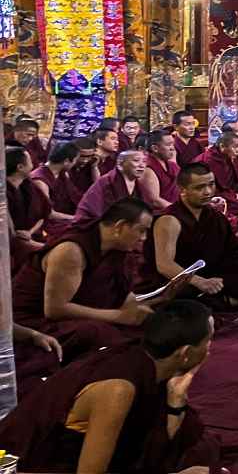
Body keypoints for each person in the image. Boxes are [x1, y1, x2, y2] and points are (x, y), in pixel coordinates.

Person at [0, 299, 216, 474]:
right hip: (28, 464)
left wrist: (176, 401)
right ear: (185, 353)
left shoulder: (144, 361)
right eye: (208, 341)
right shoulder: (118, 389)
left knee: (200, 451)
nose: (209, 349)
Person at [12, 199, 164, 362]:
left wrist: (143, 305)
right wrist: (120, 316)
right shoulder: (71, 251)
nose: (144, 238)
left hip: (81, 314)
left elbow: (120, 291)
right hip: (33, 321)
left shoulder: (116, 248)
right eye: (141, 231)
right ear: (119, 226)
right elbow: (55, 309)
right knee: (98, 333)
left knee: (154, 323)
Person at [141, 163, 238, 309]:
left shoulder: (213, 216)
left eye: (211, 185)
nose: (208, 192)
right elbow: (164, 265)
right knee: (184, 295)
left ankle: (226, 301)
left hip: (212, 272)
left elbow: (230, 253)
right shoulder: (169, 220)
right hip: (179, 280)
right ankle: (223, 301)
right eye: (199, 188)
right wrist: (201, 282)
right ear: (182, 190)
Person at [74, 150, 152, 226]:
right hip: (94, 225)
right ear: (120, 165)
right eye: (136, 160)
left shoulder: (140, 186)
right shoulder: (106, 182)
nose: (142, 165)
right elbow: (100, 212)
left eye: (144, 162)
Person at [31, 141, 82, 226]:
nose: (75, 164)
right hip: (46, 224)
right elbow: (49, 214)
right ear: (66, 161)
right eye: (75, 160)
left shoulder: (63, 173)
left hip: (64, 217)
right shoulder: (40, 181)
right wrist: (76, 218)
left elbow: (75, 196)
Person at [8, 144, 48, 244]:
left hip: (33, 235)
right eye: (30, 160)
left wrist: (30, 232)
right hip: (16, 243)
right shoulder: (4, 192)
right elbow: (11, 233)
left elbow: (44, 214)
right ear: (20, 167)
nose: (33, 163)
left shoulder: (29, 185)